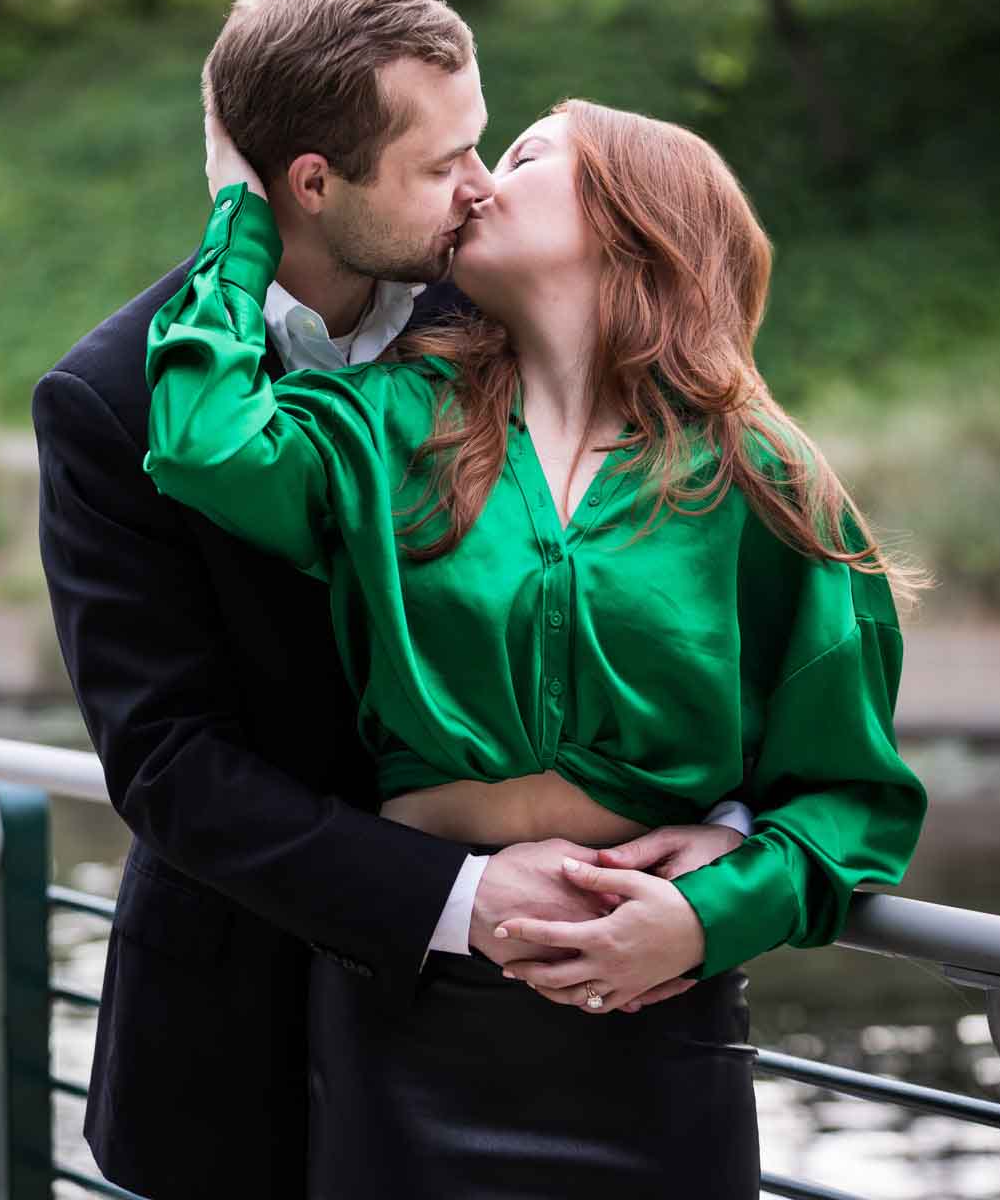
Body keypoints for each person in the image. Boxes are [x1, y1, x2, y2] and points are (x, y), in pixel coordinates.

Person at [34, 0, 753, 1200]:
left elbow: (671, 577)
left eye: (485, 143)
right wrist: (457, 893)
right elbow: (167, 764)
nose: (479, 186)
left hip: (554, 1025)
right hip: (238, 1035)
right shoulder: (114, 400)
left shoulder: (503, 306)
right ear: (312, 181)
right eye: (443, 162)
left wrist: (726, 825)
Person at [140, 90, 932, 1199]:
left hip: (650, 1032)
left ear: (629, 215)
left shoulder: (760, 473)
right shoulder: (387, 416)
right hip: (409, 1007)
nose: (474, 181)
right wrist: (242, 217)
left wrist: (708, 916)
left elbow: (851, 798)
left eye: (518, 153)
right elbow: (203, 445)